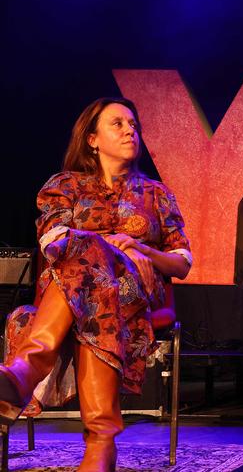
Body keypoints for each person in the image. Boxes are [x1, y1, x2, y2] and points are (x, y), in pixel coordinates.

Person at [0, 97, 192, 471]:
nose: (129, 130)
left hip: (134, 296)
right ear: (92, 139)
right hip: (73, 293)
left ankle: (26, 370)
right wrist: (104, 246)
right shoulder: (64, 185)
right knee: (87, 256)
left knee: (93, 264)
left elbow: (182, 263)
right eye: (117, 124)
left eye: (133, 124)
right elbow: (52, 242)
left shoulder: (156, 193)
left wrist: (138, 250)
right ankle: (100, 442)